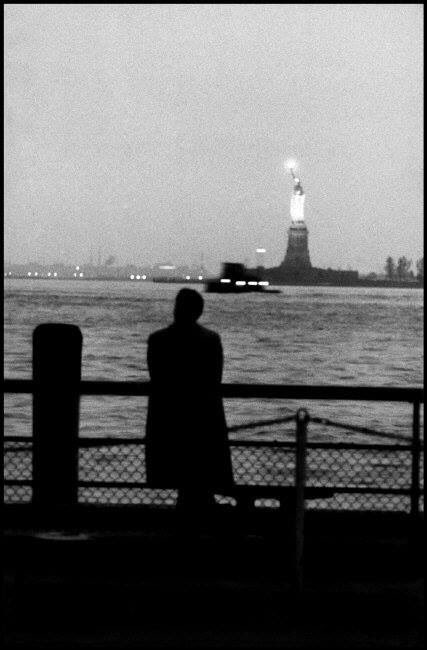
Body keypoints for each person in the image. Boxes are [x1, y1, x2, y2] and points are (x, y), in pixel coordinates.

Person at [145, 288, 234, 510]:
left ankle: (189, 514)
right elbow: (215, 379)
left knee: (181, 477)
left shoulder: (158, 340)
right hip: (203, 419)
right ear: (199, 312)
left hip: (169, 419)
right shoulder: (211, 340)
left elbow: (156, 377)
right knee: (200, 476)